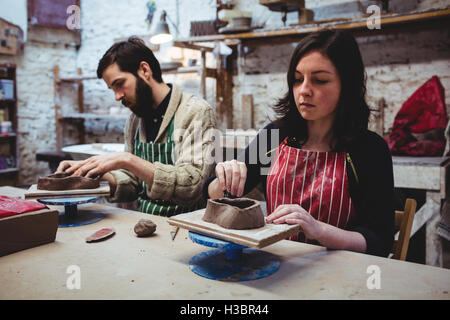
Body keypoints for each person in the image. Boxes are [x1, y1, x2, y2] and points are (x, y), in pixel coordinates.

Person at [204, 29, 395, 257]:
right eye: (297, 79)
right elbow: (221, 196)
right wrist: (223, 177)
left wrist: (319, 229)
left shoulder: (369, 150)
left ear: (347, 84)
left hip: (339, 272)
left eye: (319, 80)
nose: (304, 90)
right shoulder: (275, 136)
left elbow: (379, 241)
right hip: (275, 263)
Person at [58, 37, 216, 216]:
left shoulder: (195, 112)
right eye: (112, 89)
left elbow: (192, 186)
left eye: (119, 84)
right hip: (145, 222)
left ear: (144, 70)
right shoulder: (135, 120)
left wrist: (128, 160)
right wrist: (91, 173)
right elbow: (133, 183)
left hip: (185, 225)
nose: (117, 96)